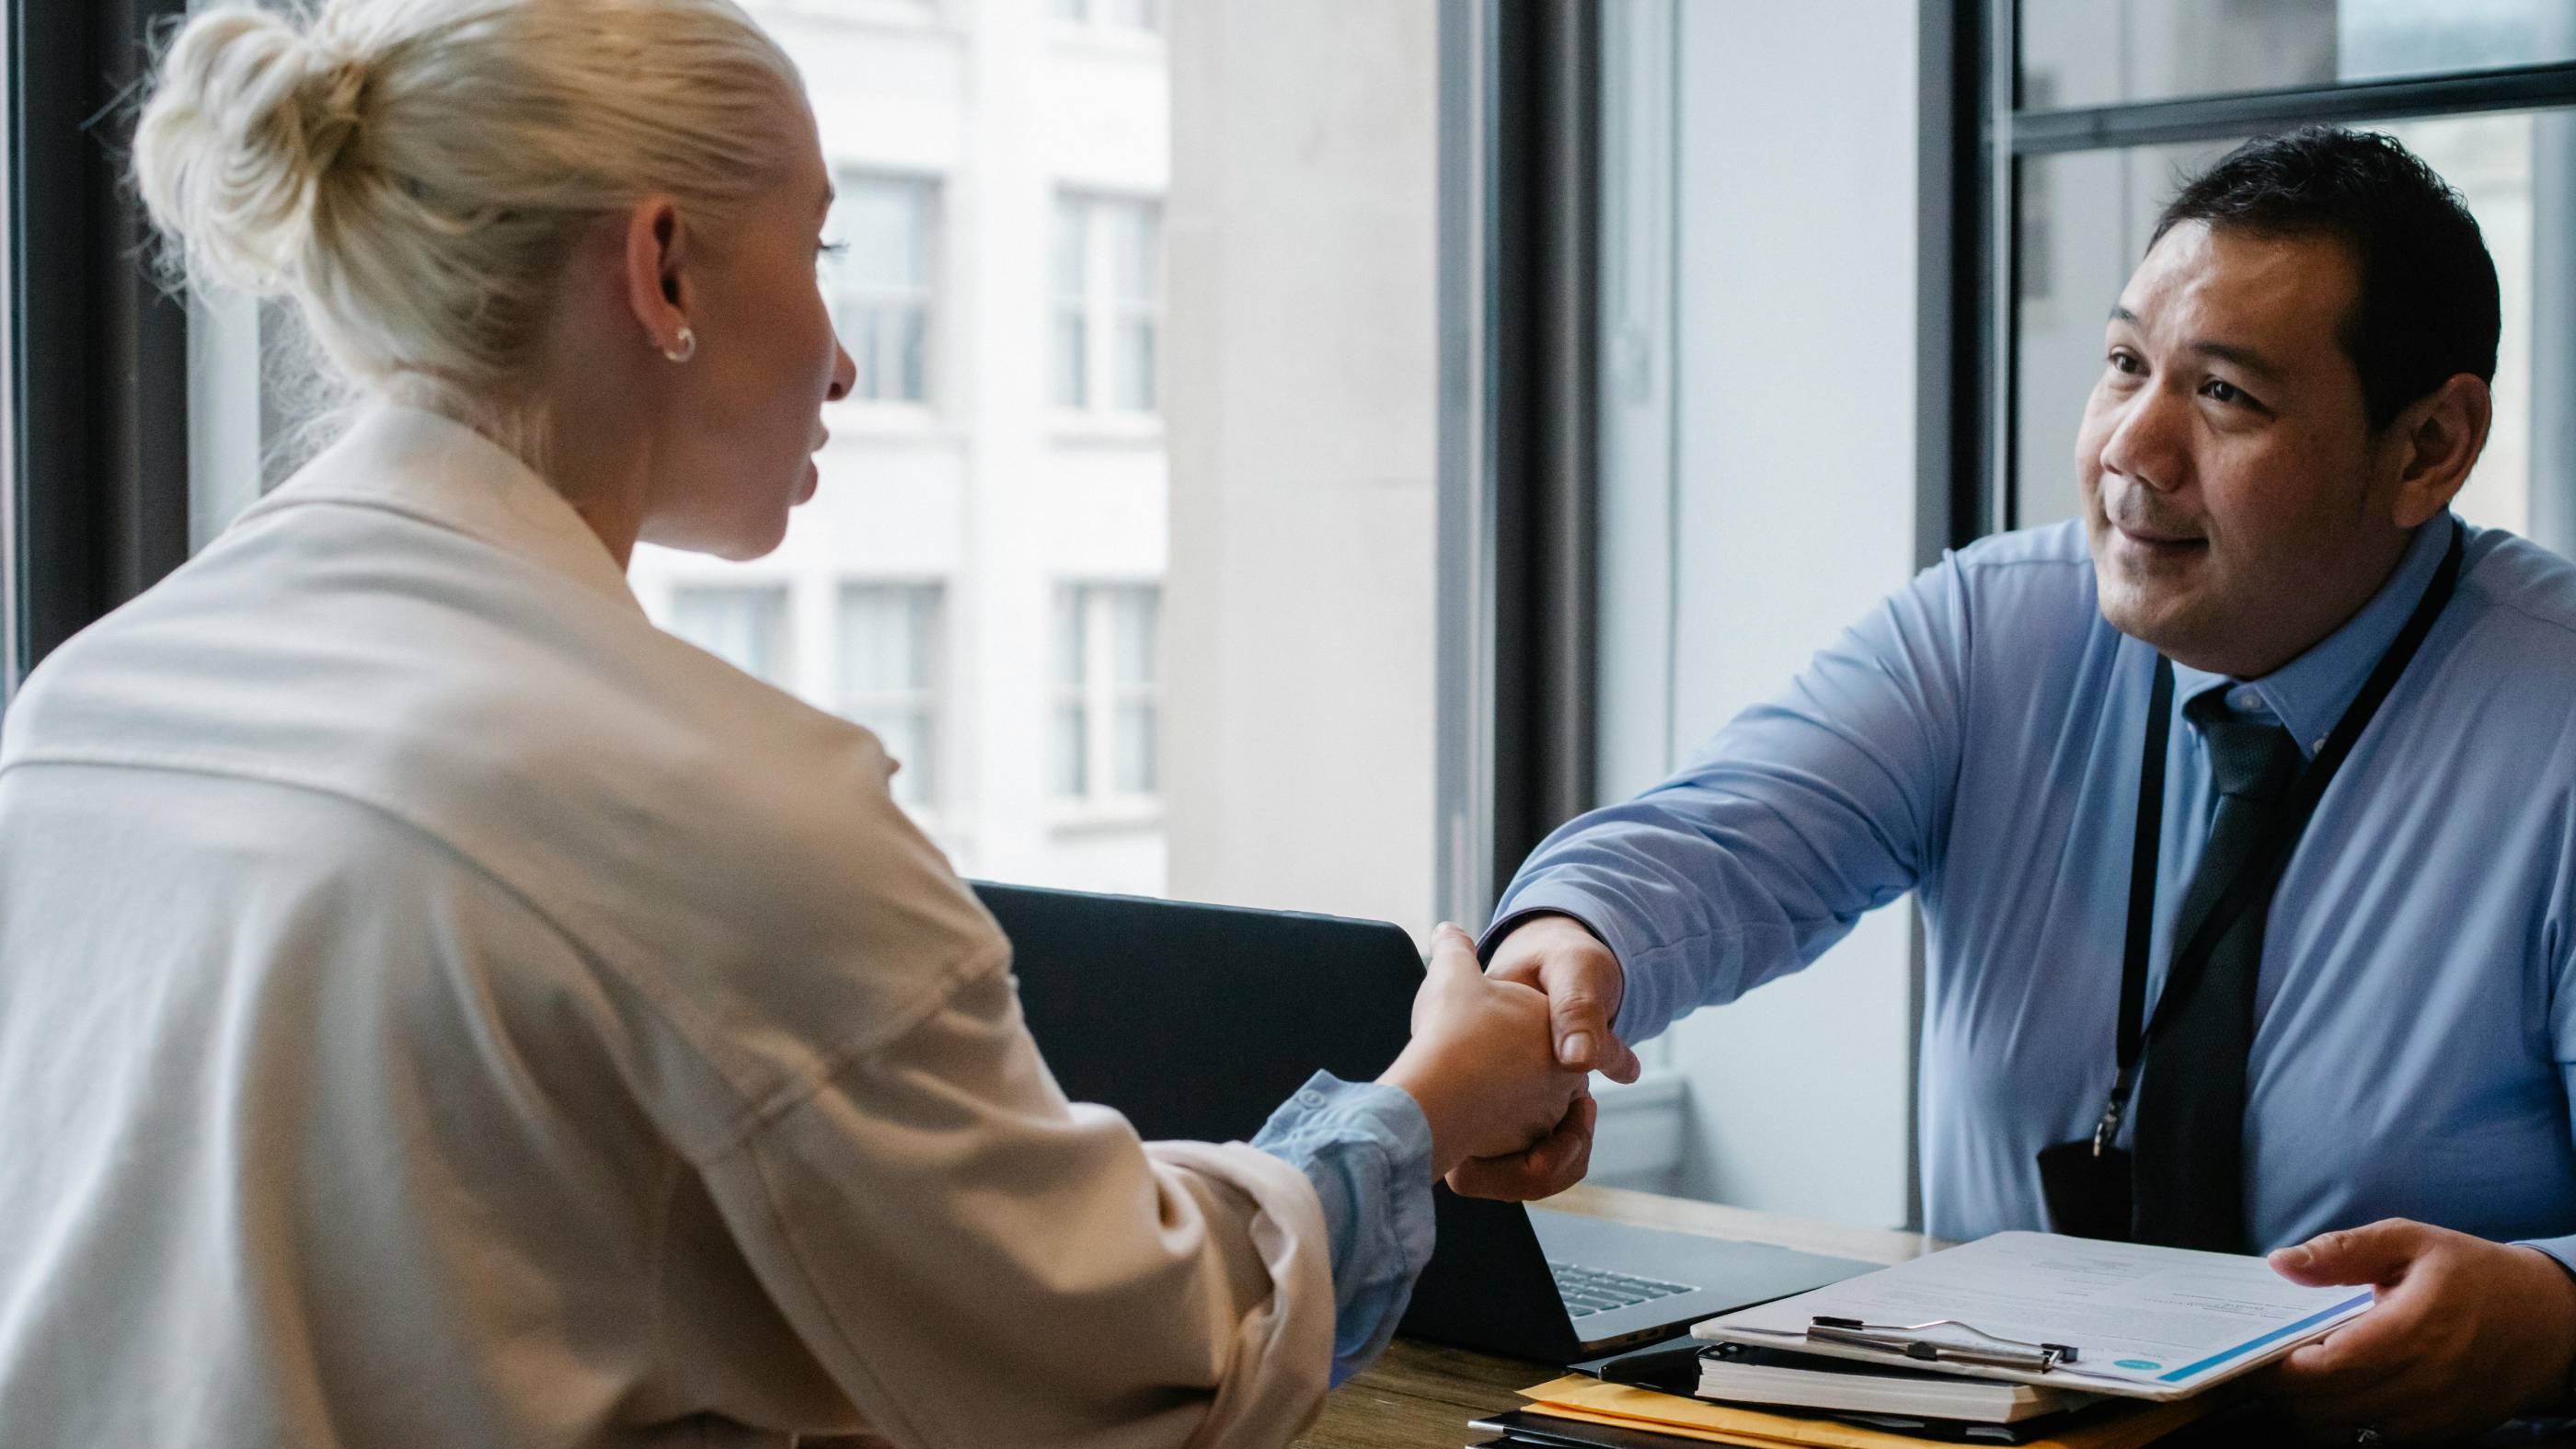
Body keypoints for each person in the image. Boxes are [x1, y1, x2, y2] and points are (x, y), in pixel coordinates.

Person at [0, 3, 1585, 1445]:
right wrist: (1423, 1107)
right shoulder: (715, 805)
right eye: (822, 249)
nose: (844, 359)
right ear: (663, 265)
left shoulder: (79, 711)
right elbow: (1129, 1363)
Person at [1456, 126, 2576, 1443]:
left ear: (2430, 446)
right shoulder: (1998, 626)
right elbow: (1722, 844)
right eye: (2122, 367)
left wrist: (2555, 1313)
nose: (2131, 449)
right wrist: (1568, 951)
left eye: (2225, 396)